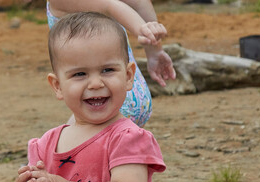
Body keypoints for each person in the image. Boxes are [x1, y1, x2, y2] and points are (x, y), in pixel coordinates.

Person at [15, 12, 166, 182]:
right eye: (80, 74)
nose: (95, 83)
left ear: (128, 76)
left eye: (107, 70)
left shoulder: (127, 138)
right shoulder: (46, 143)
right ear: (57, 86)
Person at [44, 0, 176, 127]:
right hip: (96, 107)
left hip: (122, 90)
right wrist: (142, 30)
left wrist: (154, 49)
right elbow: (109, 6)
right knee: (81, 146)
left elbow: (140, 2)